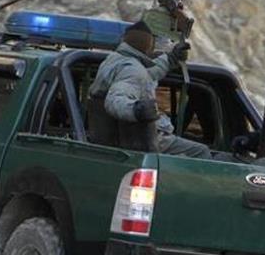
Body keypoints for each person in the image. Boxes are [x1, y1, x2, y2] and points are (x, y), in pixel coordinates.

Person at [87, 21, 213, 159]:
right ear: (148, 46)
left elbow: (148, 74)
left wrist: (171, 58)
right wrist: (136, 110)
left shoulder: (114, 62)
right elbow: (115, 100)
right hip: (146, 140)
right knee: (202, 151)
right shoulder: (133, 70)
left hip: (121, 141)